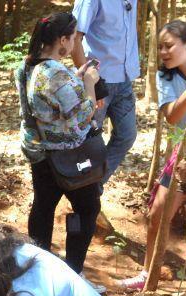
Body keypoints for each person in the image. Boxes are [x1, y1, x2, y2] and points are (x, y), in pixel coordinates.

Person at [16, 12, 103, 280]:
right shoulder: (54, 72)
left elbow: (52, 102)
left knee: (44, 205)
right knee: (87, 208)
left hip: (39, 152)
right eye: (74, 37)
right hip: (66, 155)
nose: (75, 43)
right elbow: (85, 112)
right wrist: (88, 82)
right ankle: (72, 273)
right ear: (63, 39)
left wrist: (74, 79)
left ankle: (36, 272)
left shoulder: (28, 65)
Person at [118, 20, 186, 291]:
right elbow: (173, 118)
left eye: (169, 46)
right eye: (159, 47)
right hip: (184, 152)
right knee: (157, 214)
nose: (163, 52)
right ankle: (147, 275)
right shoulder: (166, 77)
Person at [71, 0, 139, 191]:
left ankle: (92, 188)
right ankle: (78, 191)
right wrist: (90, 81)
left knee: (127, 135)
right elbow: (75, 38)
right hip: (97, 81)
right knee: (88, 143)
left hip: (123, 80)